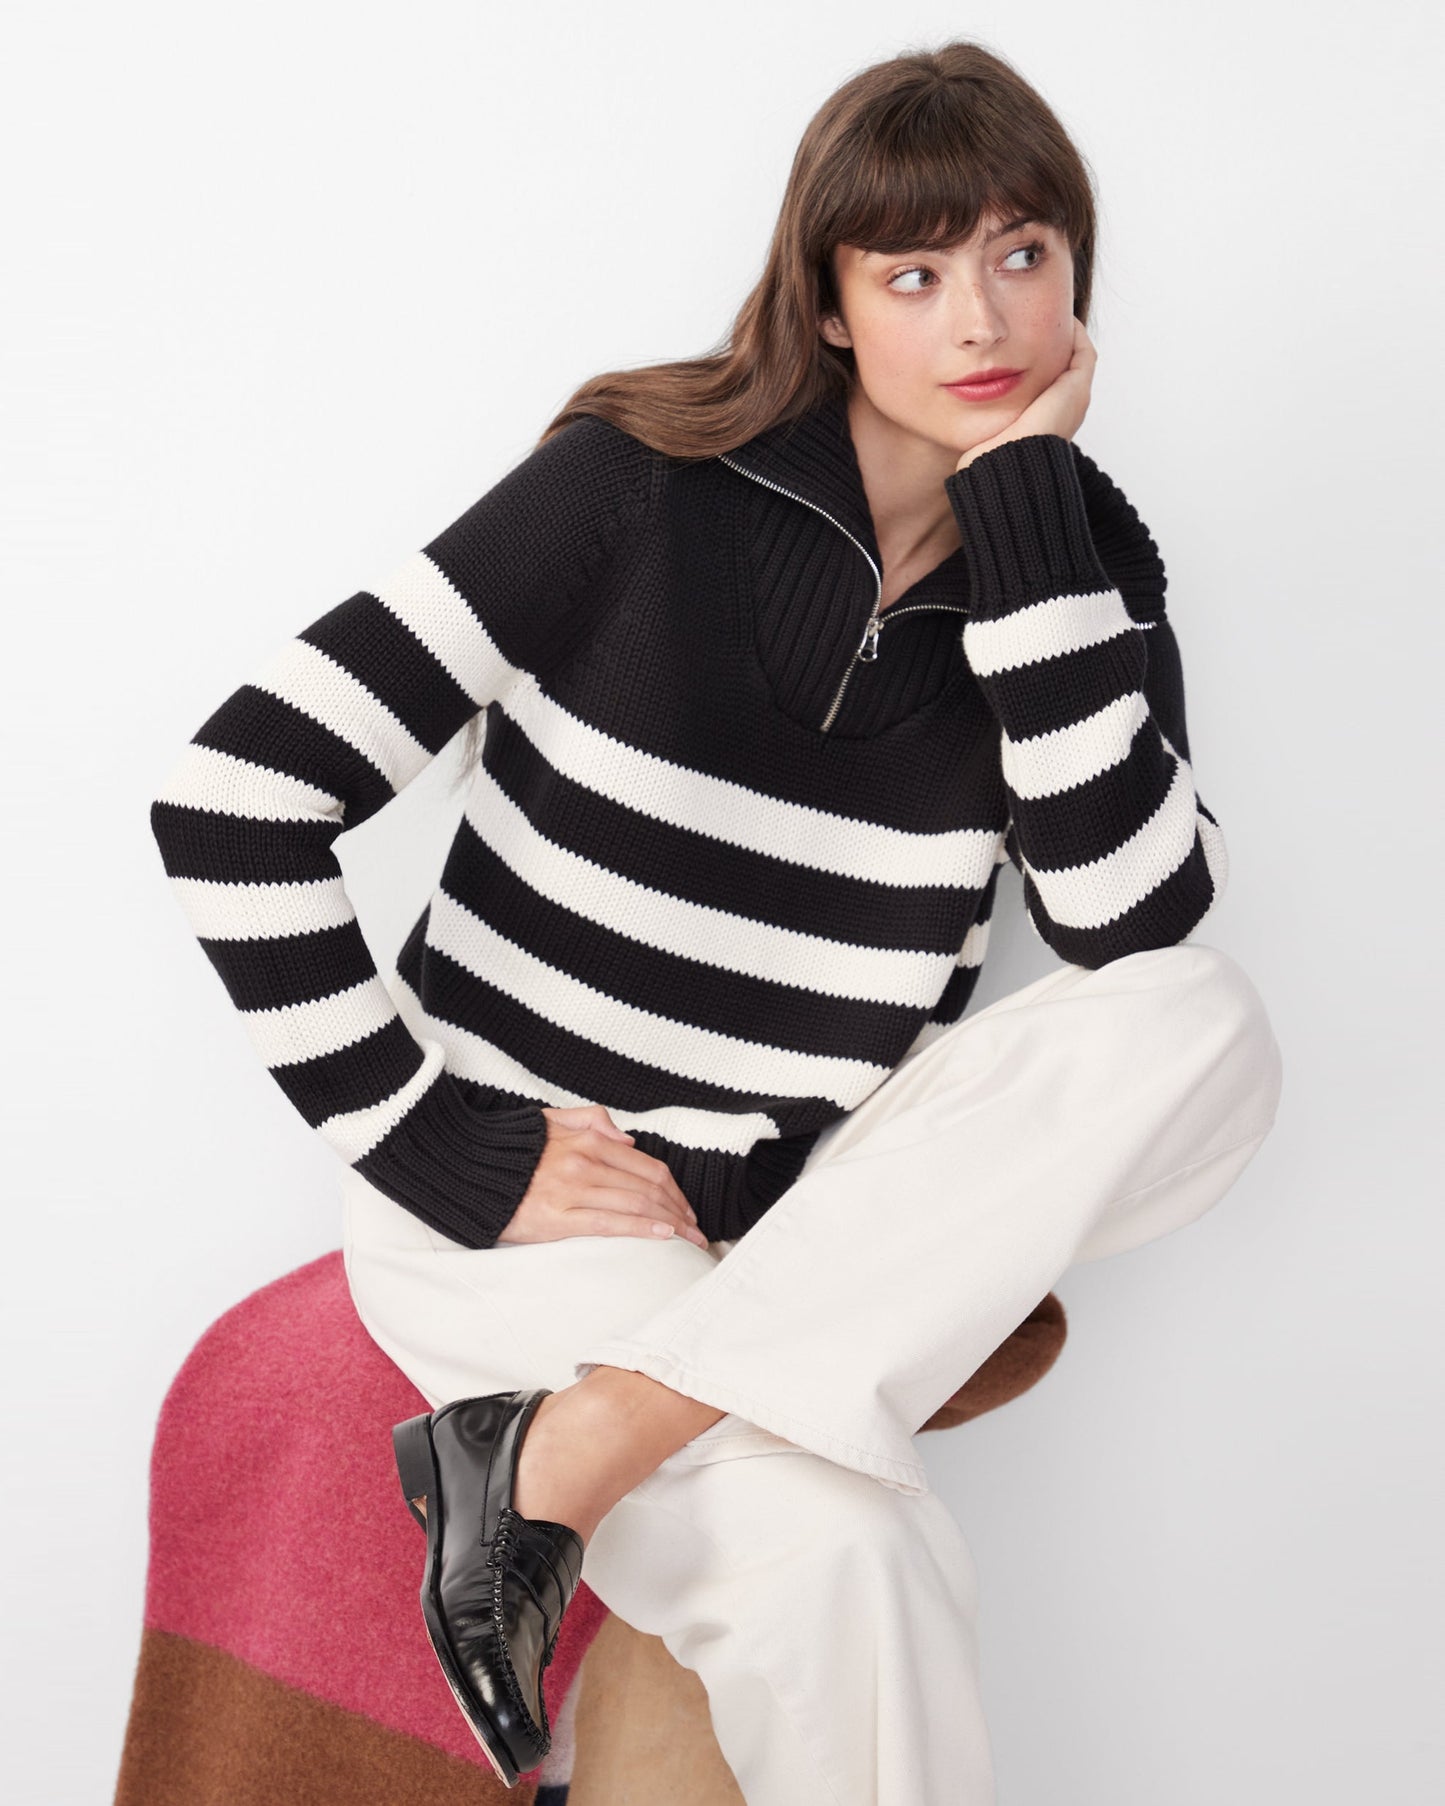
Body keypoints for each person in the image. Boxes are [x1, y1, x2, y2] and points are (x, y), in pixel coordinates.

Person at [149, 38, 1284, 1805]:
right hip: (546, 1216)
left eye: (1021, 256)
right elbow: (237, 794)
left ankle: (572, 1442)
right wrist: (433, 1141)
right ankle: (569, 1416)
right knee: (859, 1560)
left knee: (1200, 1019)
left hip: (788, 1235)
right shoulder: (638, 484)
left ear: (1077, 275)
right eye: (913, 274)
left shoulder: (1080, 569)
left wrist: (1025, 517)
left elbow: (1123, 921)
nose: (982, 318)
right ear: (827, 303)